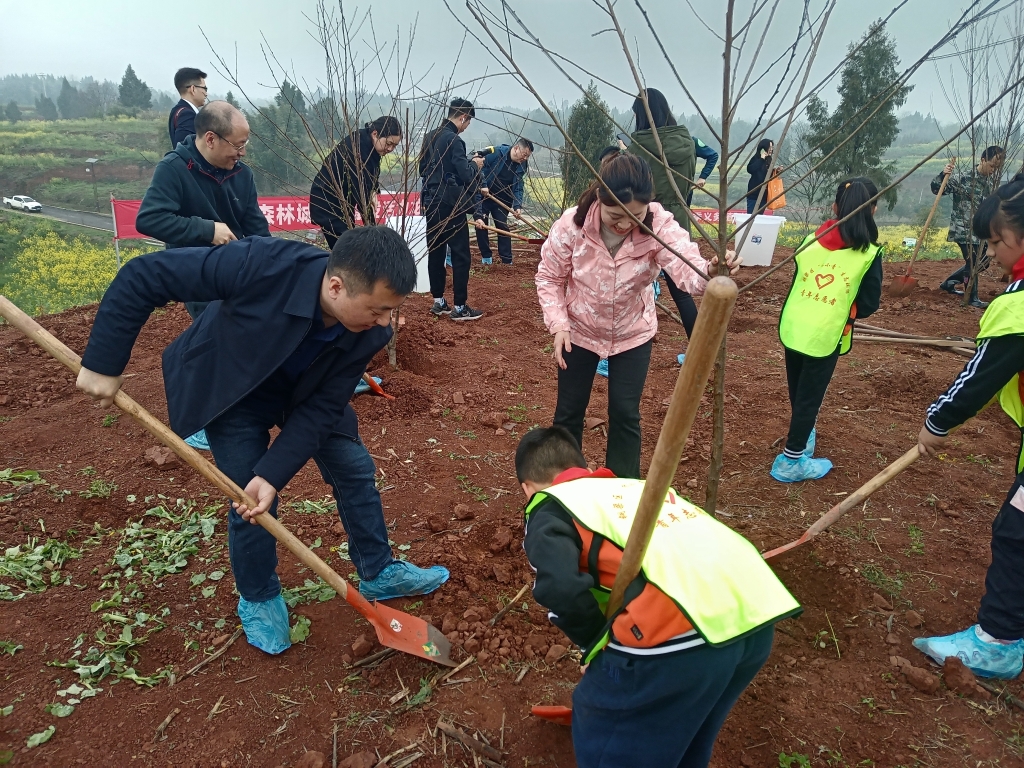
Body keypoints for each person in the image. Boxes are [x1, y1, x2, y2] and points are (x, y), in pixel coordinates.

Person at [75, 227, 450, 656]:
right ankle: (258, 595)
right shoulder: (260, 264)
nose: (386, 322)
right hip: (233, 389)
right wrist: (104, 362)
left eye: (391, 311)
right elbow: (144, 275)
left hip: (306, 394)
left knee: (354, 468)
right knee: (250, 499)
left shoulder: (370, 330)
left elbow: (325, 406)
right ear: (336, 285)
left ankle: (377, 569)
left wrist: (275, 471)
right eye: (378, 310)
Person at [516, 426, 799, 768]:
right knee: (687, 738)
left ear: (527, 488)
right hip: (755, 613)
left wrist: (596, 644)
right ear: (587, 467)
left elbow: (559, 588)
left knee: (598, 724)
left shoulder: (550, 508)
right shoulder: (635, 488)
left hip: (679, 636)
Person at [536, 153, 739, 478]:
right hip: (579, 331)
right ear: (599, 200)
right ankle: (567, 489)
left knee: (625, 414)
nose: (625, 224)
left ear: (648, 206)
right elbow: (549, 277)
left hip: (633, 334)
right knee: (568, 414)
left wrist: (711, 270)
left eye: (635, 216)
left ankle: (622, 494)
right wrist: (559, 324)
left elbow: (686, 270)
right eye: (615, 215)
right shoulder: (573, 226)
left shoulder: (658, 226)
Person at [913, 177, 1024, 678]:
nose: (993, 252)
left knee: (1016, 533)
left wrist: (937, 421)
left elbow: (978, 377)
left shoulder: (1019, 307)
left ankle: (997, 641)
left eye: (999, 242)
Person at [772, 178, 884, 482]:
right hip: (827, 331)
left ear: (835, 207)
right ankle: (792, 461)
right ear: (872, 210)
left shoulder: (811, 239)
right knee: (810, 397)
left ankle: (803, 433)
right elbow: (870, 302)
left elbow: (799, 278)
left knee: (799, 389)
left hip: (795, 323)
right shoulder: (869, 253)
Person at [137, 100, 270, 321]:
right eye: (238, 146)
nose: (243, 153)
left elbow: (257, 229)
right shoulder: (174, 169)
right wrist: (207, 230)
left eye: (245, 144)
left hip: (235, 268)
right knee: (219, 327)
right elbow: (150, 219)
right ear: (210, 139)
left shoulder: (243, 175)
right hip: (195, 271)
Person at [626, 88, 701, 365]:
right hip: (677, 220)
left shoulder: (638, 149)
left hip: (644, 222)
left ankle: (622, 351)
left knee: (629, 287)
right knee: (680, 292)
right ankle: (699, 350)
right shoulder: (687, 142)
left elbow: (634, 190)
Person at [419, 98, 485, 321]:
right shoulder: (454, 141)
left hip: (431, 201)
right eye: (467, 123)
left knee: (435, 250)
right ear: (463, 117)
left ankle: (439, 301)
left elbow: (422, 169)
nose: (466, 127)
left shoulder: (430, 137)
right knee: (460, 254)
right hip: (451, 204)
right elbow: (465, 174)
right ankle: (459, 306)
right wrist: (474, 165)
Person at [310, 116, 403, 249]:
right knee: (345, 248)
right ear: (375, 133)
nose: (390, 149)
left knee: (348, 242)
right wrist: (372, 228)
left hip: (344, 201)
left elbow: (371, 173)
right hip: (328, 202)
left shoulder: (369, 143)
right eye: (388, 143)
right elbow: (361, 194)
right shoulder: (358, 149)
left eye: (394, 146)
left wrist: (373, 191)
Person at [932, 146, 1006, 308]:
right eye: (992, 166)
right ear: (983, 160)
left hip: (982, 232)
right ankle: (971, 297)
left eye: (997, 168)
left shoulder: (992, 185)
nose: (994, 170)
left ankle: (949, 282)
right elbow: (937, 188)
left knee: (984, 261)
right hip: (963, 230)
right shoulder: (962, 178)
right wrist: (943, 174)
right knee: (972, 262)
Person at [472, 138, 534, 265]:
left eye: (528, 156)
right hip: (484, 195)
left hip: (503, 199)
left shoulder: (522, 165)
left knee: (502, 226)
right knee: (481, 225)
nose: (525, 158)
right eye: (524, 155)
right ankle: (486, 257)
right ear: (516, 148)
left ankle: (507, 260)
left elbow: (518, 185)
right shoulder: (496, 153)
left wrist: (517, 205)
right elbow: (479, 169)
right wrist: (483, 185)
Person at [168, 67, 208, 149]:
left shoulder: (176, 110)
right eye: (204, 88)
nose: (206, 94)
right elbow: (186, 149)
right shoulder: (187, 114)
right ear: (193, 89)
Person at [746, 139, 780, 215]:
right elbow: (750, 169)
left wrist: (776, 171)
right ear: (764, 147)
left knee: (759, 217)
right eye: (769, 147)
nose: (771, 149)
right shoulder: (756, 158)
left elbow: (768, 175)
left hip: (764, 195)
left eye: (772, 147)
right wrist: (761, 159)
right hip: (754, 194)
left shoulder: (769, 160)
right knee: (751, 216)